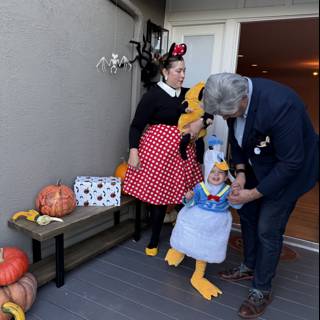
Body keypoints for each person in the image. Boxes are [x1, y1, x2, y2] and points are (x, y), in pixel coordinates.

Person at [187, 72, 319, 318]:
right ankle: (248, 266)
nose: (225, 118)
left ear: (243, 100)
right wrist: (240, 175)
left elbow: (291, 162)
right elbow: (237, 143)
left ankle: (262, 289)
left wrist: (253, 193)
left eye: (227, 114)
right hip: (260, 164)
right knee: (247, 215)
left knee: (268, 228)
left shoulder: (282, 106)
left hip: (291, 172)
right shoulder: (230, 99)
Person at [123, 43, 203, 257]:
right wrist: (133, 150)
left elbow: (208, 112)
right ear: (165, 72)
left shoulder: (188, 94)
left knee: (185, 195)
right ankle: (154, 239)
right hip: (158, 152)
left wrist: (201, 122)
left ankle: (184, 237)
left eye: (184, 70)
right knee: (160, 197)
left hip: (184, 153)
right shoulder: (153, 95)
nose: (183, 75)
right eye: (178, 71)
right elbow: (136, 125)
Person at [165, 156, 242, 300]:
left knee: (205, 247)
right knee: (185, 232)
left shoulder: (227, 190)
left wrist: (237, 196)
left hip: (214, 223)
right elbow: (191, 203)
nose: (216, 175)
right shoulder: (200, 187)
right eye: (212, 172)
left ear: (226, 176)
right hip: (195, 216)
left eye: (220, 172)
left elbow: (237, 205)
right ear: (207, 173)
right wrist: (188, 197)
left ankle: (198, 276)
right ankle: (178, 251)